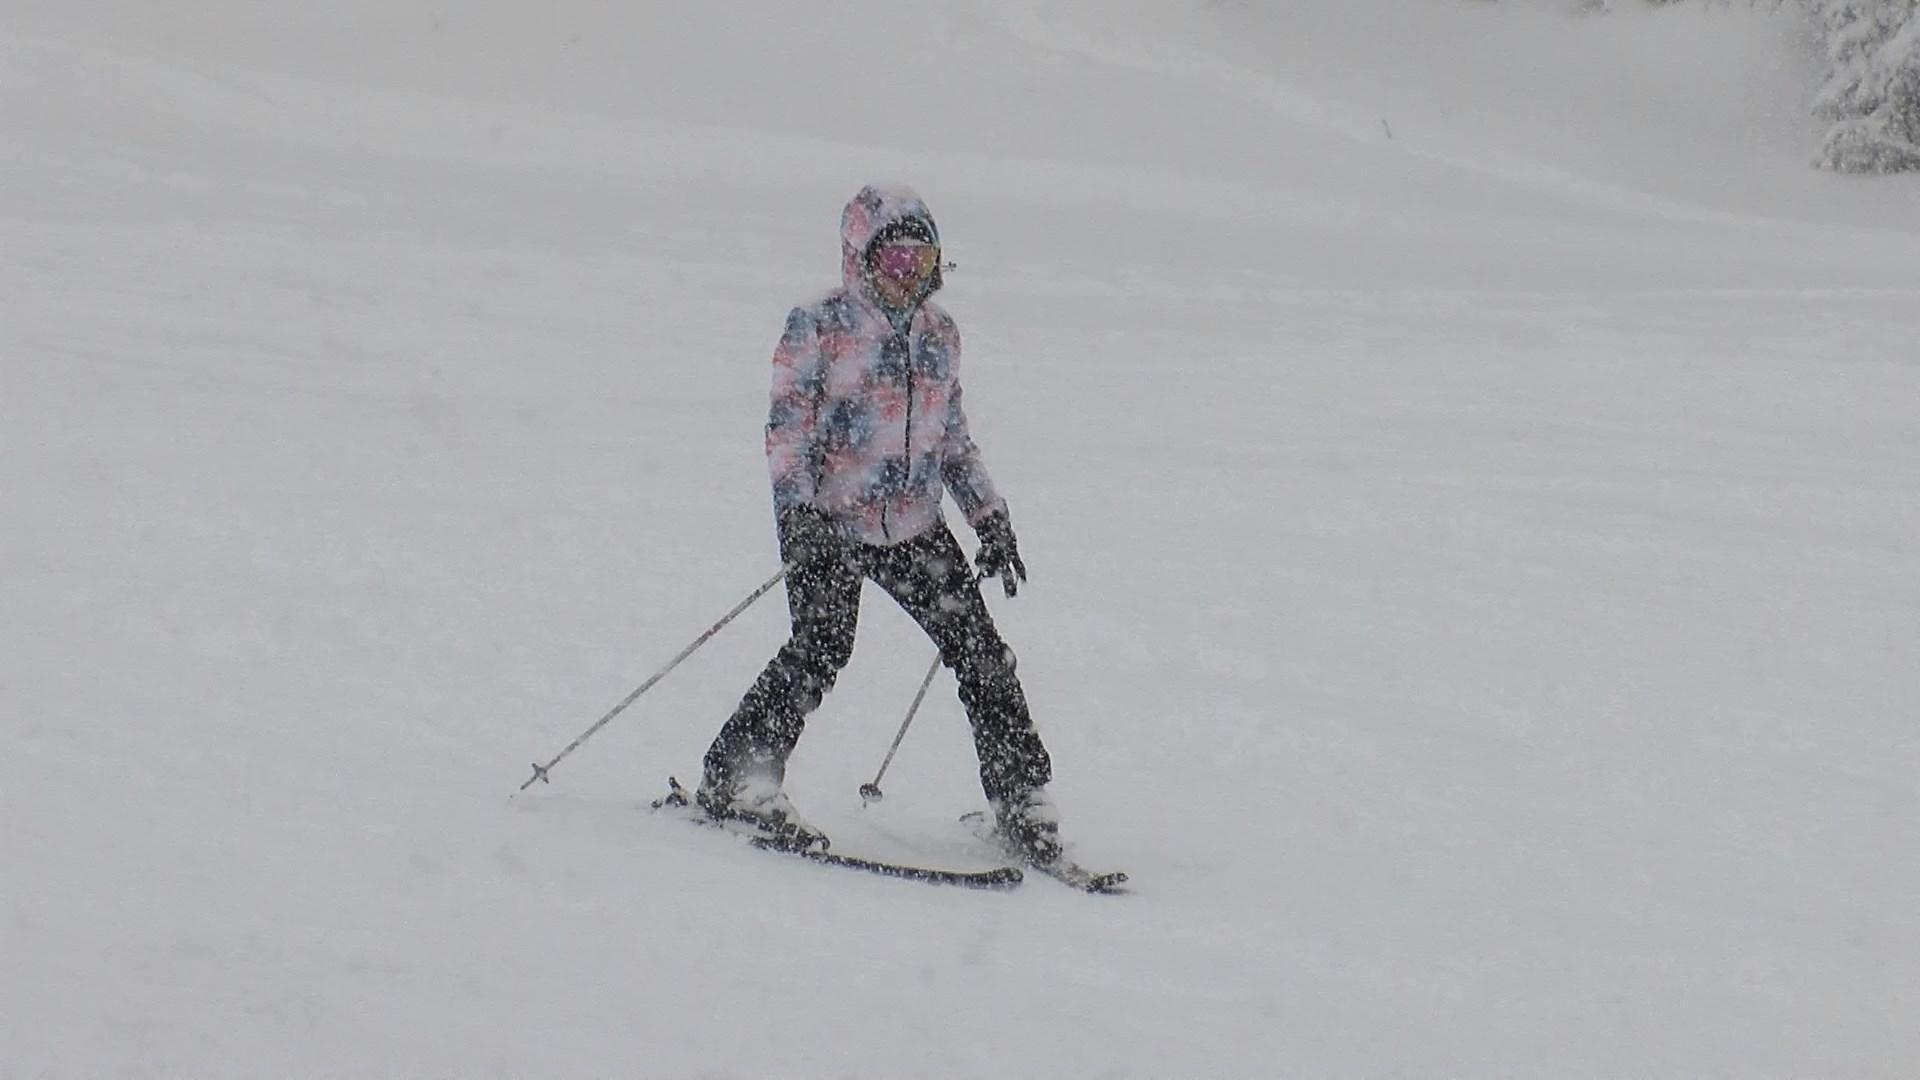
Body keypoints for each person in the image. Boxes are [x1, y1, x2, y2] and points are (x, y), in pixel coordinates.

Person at [697, 182, 1063, 865]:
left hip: (914, 526)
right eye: (894, 262)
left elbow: (952, 440)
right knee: (822, 648)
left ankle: (1024, 800)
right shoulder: (819, 326)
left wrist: (990, 516)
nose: (909, 277)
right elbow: (786, 433)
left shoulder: (940, 337)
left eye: (922, 264)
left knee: (982, 655)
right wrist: (798, 514)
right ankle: (736, 775)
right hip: (829, 521)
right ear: (859, 259)